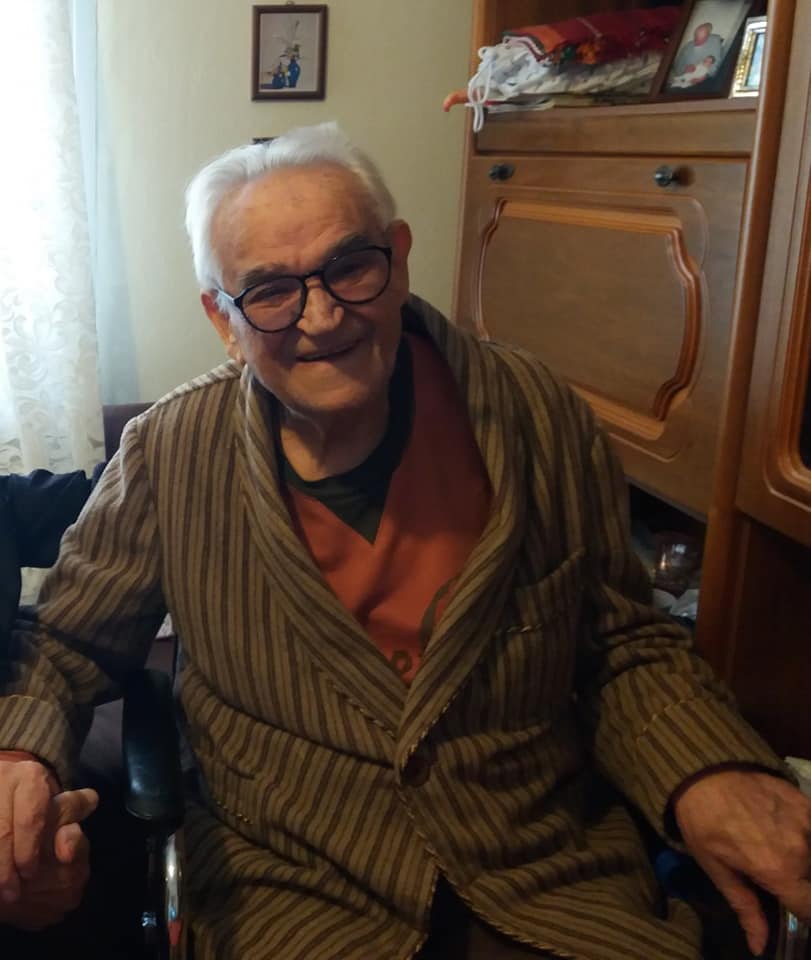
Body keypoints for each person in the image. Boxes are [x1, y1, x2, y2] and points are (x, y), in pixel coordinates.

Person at [1, 122, 810, 960]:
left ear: (399, 255)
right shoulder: (170, 450)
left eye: (351, 266)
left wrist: (707, 768)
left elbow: (620, 643)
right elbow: (66, 644)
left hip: (547, 876)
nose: (322, 317)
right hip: (292, 892)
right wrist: (21, 758)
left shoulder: (534, 412)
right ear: (223, 319)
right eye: (270, 290)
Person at [669, 21, 723, 87]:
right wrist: (684, 70)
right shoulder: (688, 46)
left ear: (708, 36)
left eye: (701, 40)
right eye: (696, 38)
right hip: (684, 77)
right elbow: (677, 64)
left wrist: (705, 75)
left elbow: (716, 63)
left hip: (703, 79)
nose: (696, 43)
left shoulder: (714, 41)